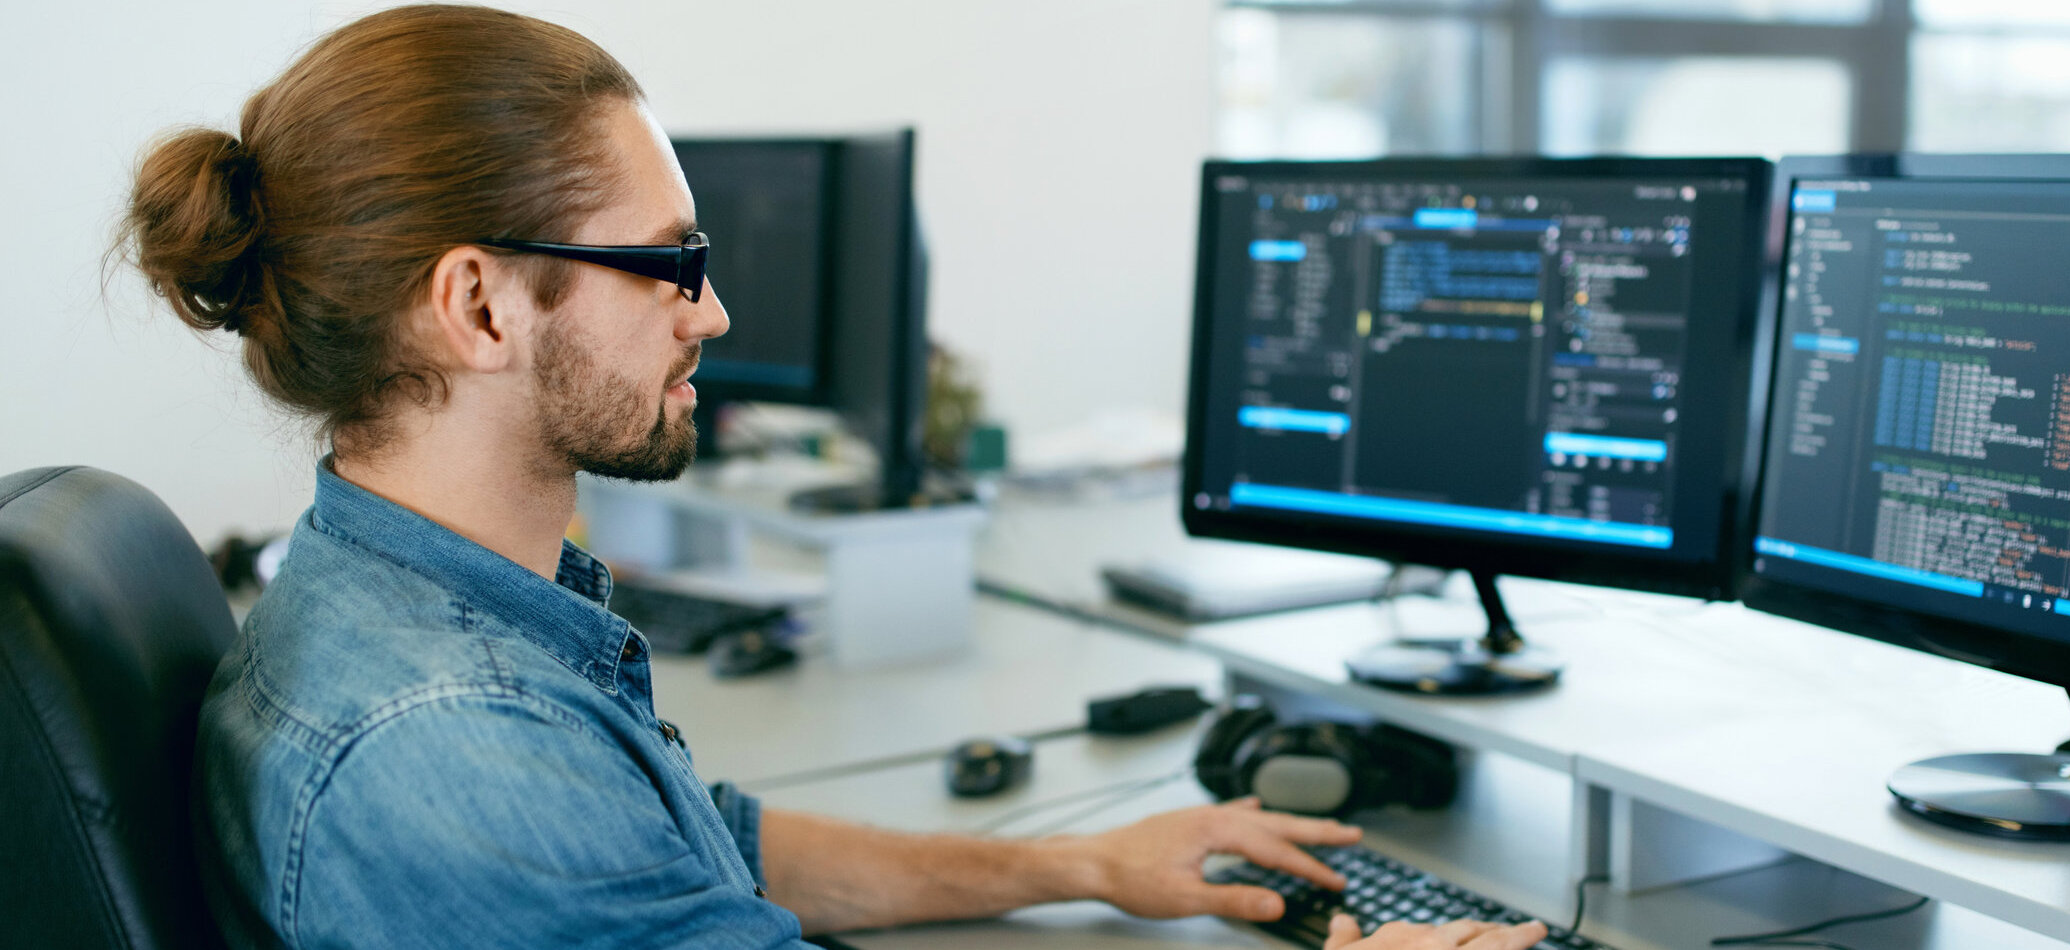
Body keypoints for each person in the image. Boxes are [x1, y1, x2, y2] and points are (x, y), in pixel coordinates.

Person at [123, 5, 1548, 949]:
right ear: (481, 307)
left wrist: (1084, 865)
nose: (712, 312)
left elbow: (703, 853)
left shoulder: (411, 600)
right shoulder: (455, 749)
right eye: (669, 264)